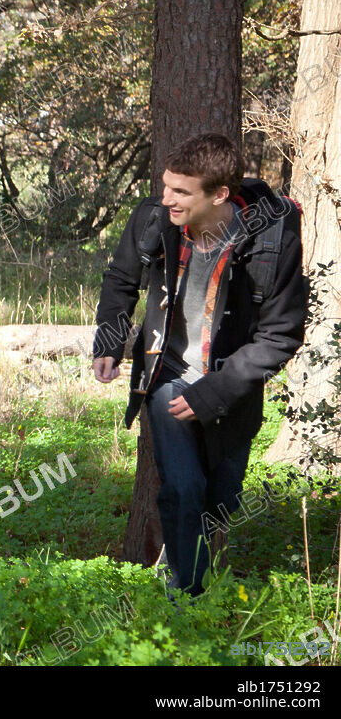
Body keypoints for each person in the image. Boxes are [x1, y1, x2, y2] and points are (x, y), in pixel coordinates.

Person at [92, 132, 305, 598]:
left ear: (219, 194)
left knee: (220, 500)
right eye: (166, 186)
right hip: (166, 375)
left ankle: (181, 560)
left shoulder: (273, 239)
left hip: (230, 387)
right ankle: (188, 599)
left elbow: (280, 335)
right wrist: (109, 341)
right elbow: (120, 280)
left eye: (180, 191)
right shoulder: (154, 220)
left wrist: (213, 393)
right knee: (183, 487)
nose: (165, 198)